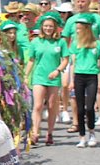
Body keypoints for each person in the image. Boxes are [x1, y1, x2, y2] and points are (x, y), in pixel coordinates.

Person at [24, 12, 68, 146]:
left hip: (54, 77)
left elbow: (65, 60)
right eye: (45, 26)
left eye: (50, 26)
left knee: (51, 105)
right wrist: (26, 75)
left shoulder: (60, 42)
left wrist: (58, 70)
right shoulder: (36, 41)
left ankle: (50, 132)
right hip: (39, 76)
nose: (48, 28)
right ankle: (35, 132)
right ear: (41, 27)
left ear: (55, 27)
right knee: (37, 105)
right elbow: (31, 60)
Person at [69, 14, 100, 148]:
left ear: (87, 28)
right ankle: (82, 137)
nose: (77, 31)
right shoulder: (75, 44)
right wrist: (71, 80)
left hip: (92, 77)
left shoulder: (98, 44)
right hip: (79, 76)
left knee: (89, 107)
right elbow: (72, 63)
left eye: (79, 28)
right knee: (79, 109)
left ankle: (92, 132)